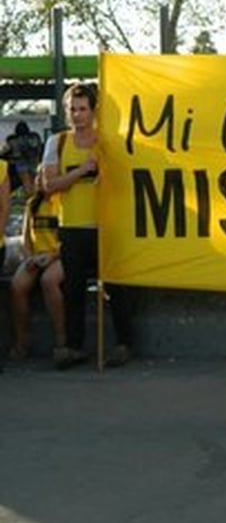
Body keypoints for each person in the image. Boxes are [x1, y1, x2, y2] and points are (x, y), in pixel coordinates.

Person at [42, 82, 135, 370]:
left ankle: (124, 343)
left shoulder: (106, 143)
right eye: (73, 109)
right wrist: (82, 171)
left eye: (83, 109)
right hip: (72, 227)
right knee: (74, 290)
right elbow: (49, 186)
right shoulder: (56, 143)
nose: (78, 115)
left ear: (93, 111)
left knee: (117, 287)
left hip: (106, 226)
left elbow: (124, 183)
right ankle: (73, 346)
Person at [8, 170, 67, 364]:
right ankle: (21, 341)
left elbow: (69, 242)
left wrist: (51, 256)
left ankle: (61, 340)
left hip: (58, 256)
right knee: (17, 286)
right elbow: (25, 239)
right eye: (40, 177)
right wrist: (30, 258)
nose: (44, 181)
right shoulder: (32, 204)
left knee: (49, 281)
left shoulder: (64, 203)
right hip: (36, 256)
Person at [4, 120, 44, 196]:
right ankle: (35, 198)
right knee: (35, 181)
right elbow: (40, 149)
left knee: (26, 182)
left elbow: (5, 151)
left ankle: (29, 198)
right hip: (34, 161)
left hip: (20, 162)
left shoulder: (12, 139)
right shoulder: (34, 137)